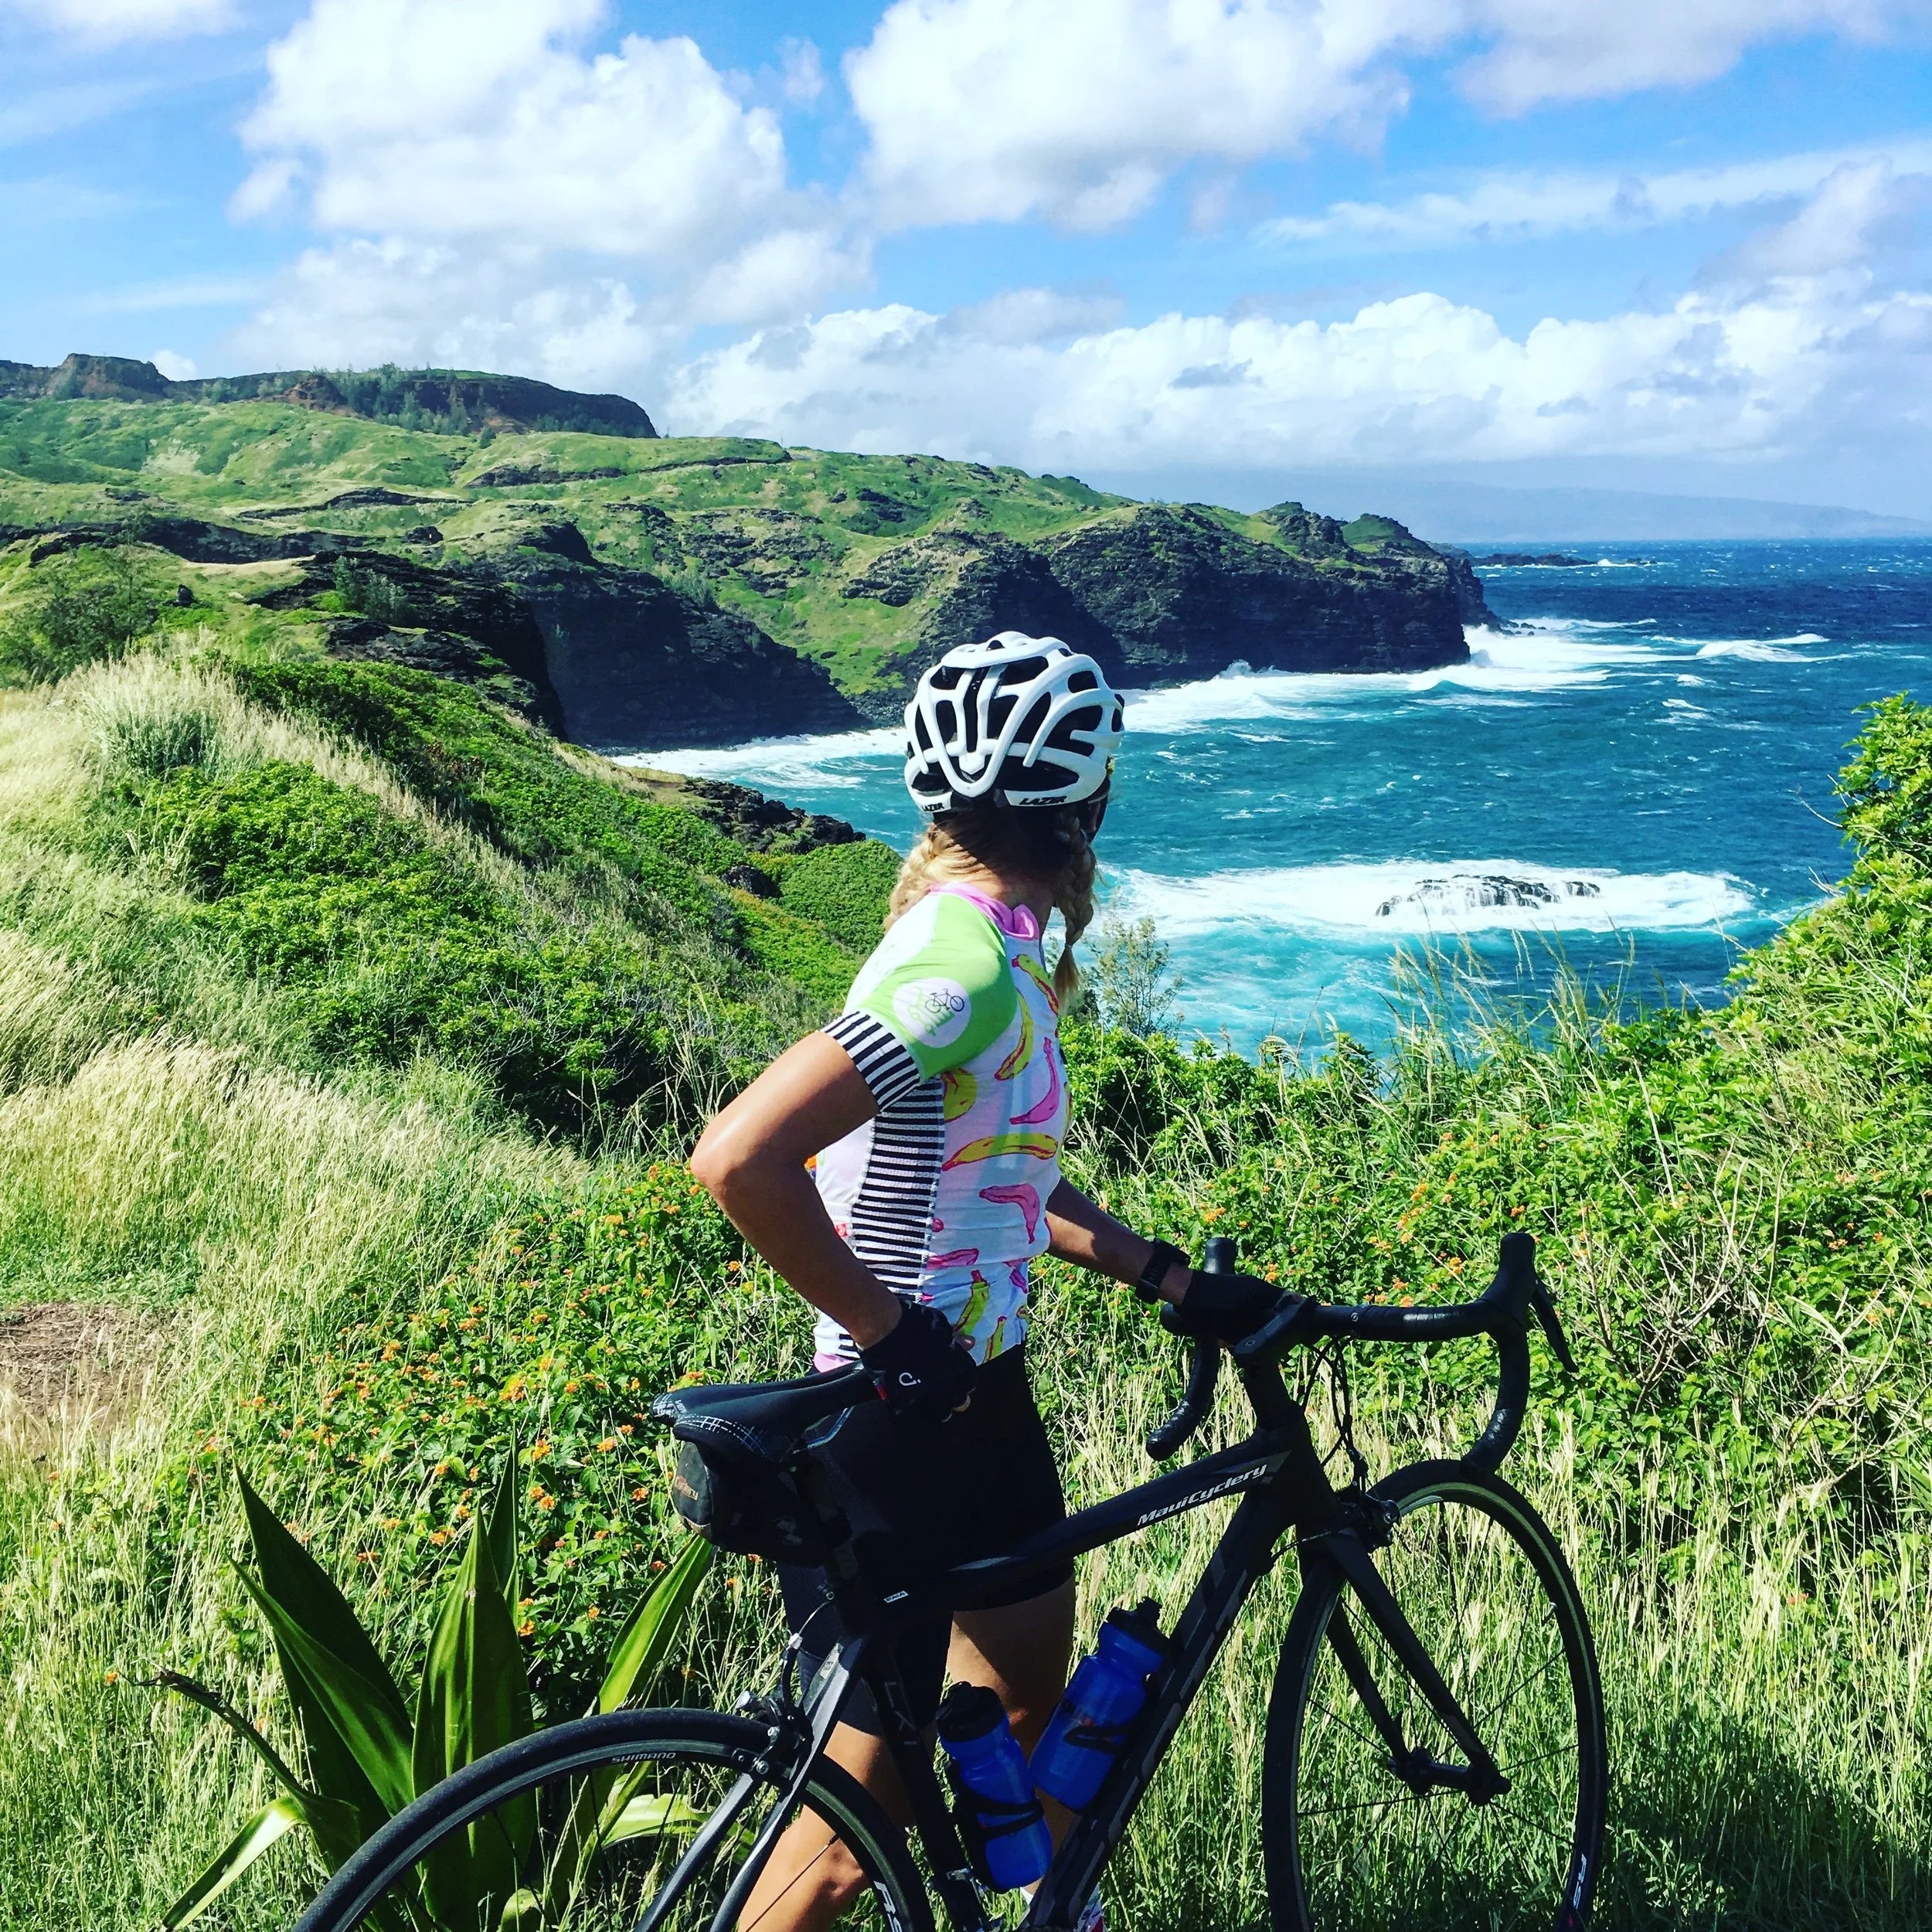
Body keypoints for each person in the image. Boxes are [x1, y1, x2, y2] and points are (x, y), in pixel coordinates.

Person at [691, 632, 1274, 1931]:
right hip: (901, 1423)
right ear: (1092, 804)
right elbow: (738, 1159)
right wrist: (890, 1335)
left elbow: (996, 1174)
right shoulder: (954, 965)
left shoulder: (991, 955)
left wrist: (1159, 1273)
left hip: (971, 1405)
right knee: (843, 1841)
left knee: (1024, 1696)